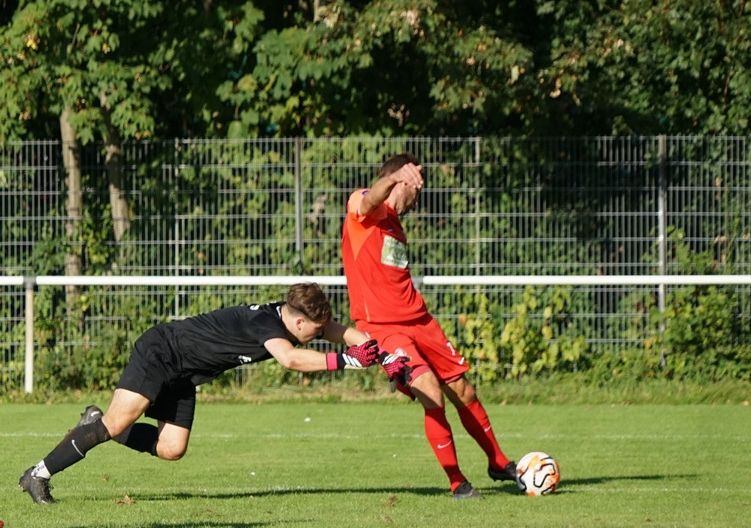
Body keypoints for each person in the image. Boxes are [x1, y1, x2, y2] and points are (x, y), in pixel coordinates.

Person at [19, 282, 410, 504]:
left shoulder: (294, 318)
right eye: (314, 329)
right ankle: (37, 475)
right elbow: (290, 360)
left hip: (184, 373)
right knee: (120, 419)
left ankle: (97, 423)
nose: (320, 334)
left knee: (171, 447)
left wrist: (384, 354)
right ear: (298, 320)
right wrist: (346, 362)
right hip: (162, 352)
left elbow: (340, 332)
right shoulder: (268, 327)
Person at [341, 152, 517, 499]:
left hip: (420, 321)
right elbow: (371, 197)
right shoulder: (364, 211)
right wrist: (392, 179)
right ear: (400, 180)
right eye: (415, 189)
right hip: (383, 328)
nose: (418, 199)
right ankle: (457, 482)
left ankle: (498, 461)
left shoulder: (395, 224)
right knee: (430, 392)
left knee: (463, 390)